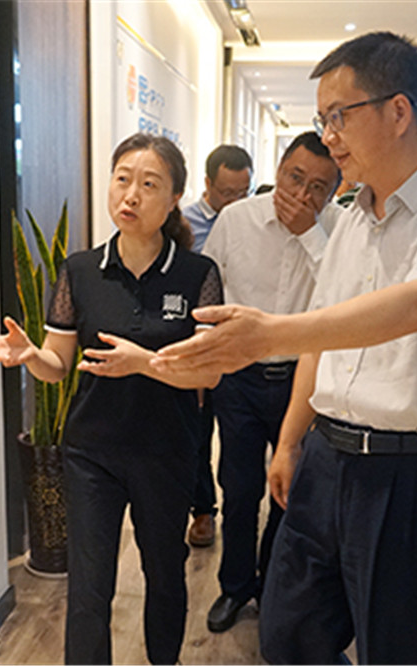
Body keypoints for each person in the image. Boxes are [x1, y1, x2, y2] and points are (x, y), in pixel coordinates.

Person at [152, 32, 417, 664]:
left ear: (398, 111)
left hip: (410, 472)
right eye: (323, 120)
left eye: (339, 116)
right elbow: (327, 333)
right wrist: (293, 441)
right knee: (288, 635)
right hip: (327, 457)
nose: (330, 136)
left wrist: (269, 333)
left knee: (392, 650)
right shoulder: (351, 216)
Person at [0, 133, 224, 665]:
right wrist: (30, 355)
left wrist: (145, 363)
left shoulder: (197, 275)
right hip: (92, 454)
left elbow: (208, 374)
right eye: (122, 179)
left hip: (166, 451)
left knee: (165, 575)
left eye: (149, 184)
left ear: (174, 198)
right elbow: (59, 364)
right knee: (88, 587)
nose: (130, 194)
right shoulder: (80, 271)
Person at [201, 131, 341, 633]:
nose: (302, 194)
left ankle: (274, 591)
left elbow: (345, 298)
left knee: (291, 492)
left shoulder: (341, 231)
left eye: (318, 187)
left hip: (303, 382)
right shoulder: (236, 219)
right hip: (238, 378)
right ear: (278, 169)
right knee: (239, 490)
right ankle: (235, 587)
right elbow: (209, 290)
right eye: (294, 177)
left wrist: (310, 234)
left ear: (335, 191)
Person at [181, 144, 253, 548]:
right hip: (196, 342)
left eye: (244, 192)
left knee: (237, 443)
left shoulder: (253, 222)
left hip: (239, 346)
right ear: (208, 184)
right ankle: (203, 510)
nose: (236, 201)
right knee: (198, 430)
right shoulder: (184, 225)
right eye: (228, 192)